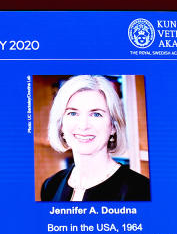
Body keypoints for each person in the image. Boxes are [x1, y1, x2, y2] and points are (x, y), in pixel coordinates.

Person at [40, 74, 150, 202]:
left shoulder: (141, 190)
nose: (83, 125)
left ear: (113, 126)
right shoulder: (51, 186)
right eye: (73, 113)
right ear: (61, 125)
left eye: (96, 114)